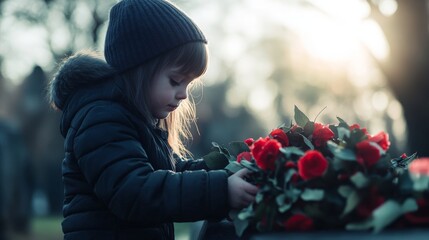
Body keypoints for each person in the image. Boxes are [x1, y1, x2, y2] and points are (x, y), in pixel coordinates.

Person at [47, 0, 258, 239]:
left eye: (189, 84)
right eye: (175, 80)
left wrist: (232, 165)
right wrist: (221, 190)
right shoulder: (101, 119)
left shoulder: (136, 121)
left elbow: (175, 171)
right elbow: (134, 192)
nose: (183, 94)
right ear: (140, 70)